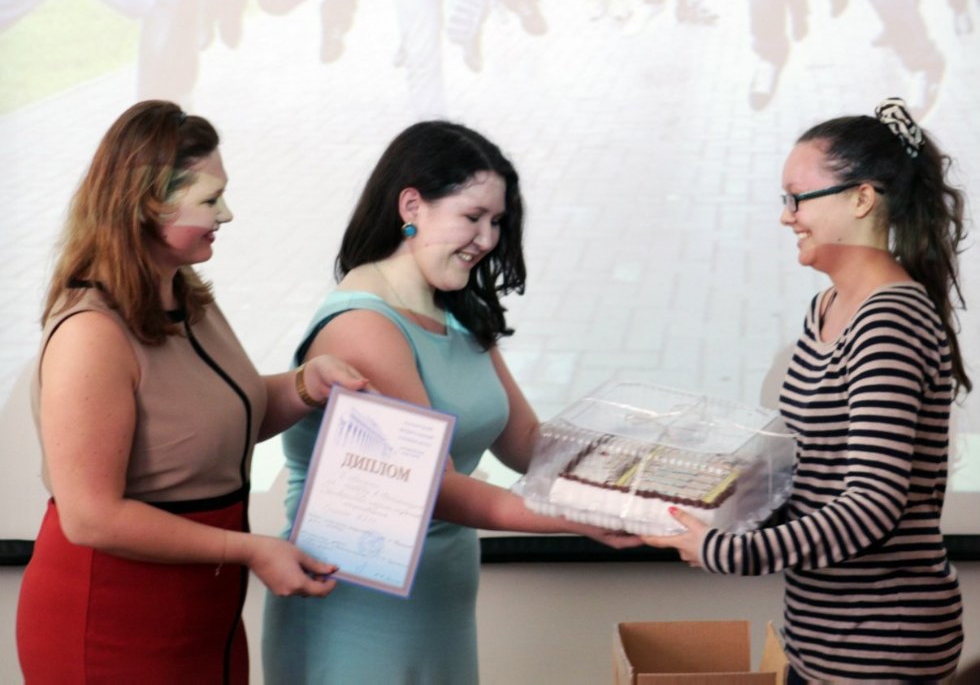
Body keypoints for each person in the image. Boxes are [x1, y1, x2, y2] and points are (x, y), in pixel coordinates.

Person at [262, 120, 640, 684]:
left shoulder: (457, 312)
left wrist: (641, 468)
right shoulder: (362, 326)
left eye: (497, 222)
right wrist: (581, 515)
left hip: (439, 609)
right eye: (473, 217)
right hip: (359, 615)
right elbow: (428, 488)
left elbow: (527, 444)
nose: (487, 239)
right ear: (412, 206)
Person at [15, 100, 368, 683]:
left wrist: (308, 384)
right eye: (210, 200)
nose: (226, 214)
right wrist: (250, 550)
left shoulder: (186, 295)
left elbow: (210, 426)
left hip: (204, 614)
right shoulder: (91, 333)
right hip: (113, 621)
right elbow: (91, 518)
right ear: (145, 205)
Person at [645, 97, 968, 683]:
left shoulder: (888, 320)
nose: (787, 217)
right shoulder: (825, 307)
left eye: (797, 198)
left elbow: (872, 504)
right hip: (820, 641)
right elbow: (814, 474)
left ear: (861, 199)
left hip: (881, 648)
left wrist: (731, 552)